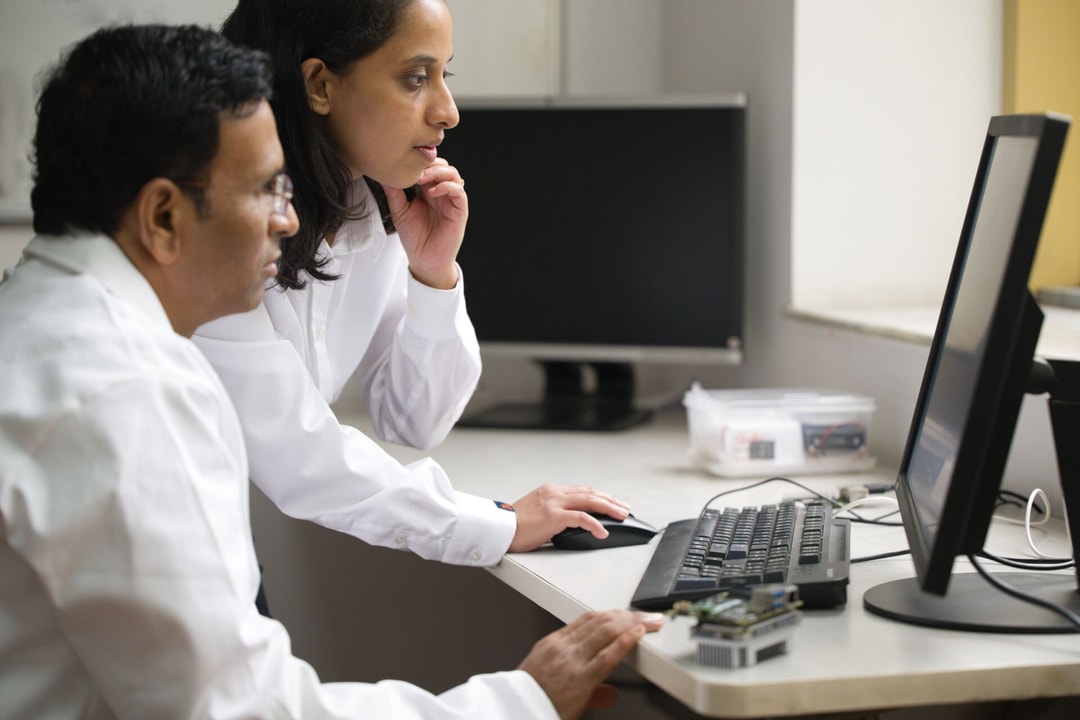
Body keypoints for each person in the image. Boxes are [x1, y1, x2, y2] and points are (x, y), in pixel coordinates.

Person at [0, 23, 664, 719]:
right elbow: (243, 710)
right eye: (264, 190)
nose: (285, 222)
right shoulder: (128, 390)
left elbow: (412, 422)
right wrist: (518, 701)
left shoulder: (51, 319)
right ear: (164, 215)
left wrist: (433, 278)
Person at [193, 0, 632, 572]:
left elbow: (414, 420)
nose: (448, 111)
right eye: (415, 79)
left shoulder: (370, 211)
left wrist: (433, 275)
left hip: (211, 540)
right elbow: (299, 455)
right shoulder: (222, 229)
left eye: (445, 76)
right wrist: (500, 522)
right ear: (320, 85)